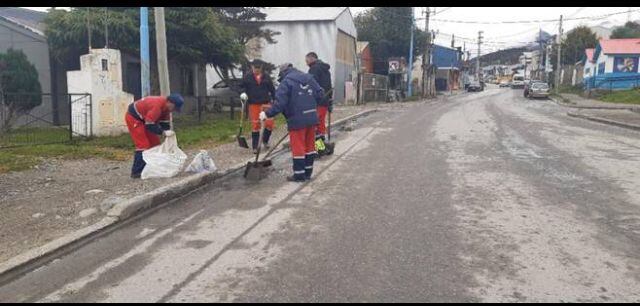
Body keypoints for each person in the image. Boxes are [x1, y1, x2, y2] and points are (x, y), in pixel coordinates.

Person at [260, 63, 324, 182]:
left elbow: (279, 104)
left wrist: (267, 114)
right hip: (311, 117)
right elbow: (320, 94)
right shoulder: (309, 78)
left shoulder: (286, 82)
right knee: (310, 146)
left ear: (283, 73)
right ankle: (308, 173)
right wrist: (308, 101)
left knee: (298, 146)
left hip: (297, 119)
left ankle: (299, 175)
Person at [125, 93, 184, 179]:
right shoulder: (156, 106)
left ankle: (150, 167)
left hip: (145, 120)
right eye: (174, 107)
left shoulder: (166, 109)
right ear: (169, 102)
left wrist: (167, 134)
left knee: (155, 144)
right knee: (143, 145)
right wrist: (163, 132)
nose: (173, 110)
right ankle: (136, 171)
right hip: (134, 118)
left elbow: (164, 124)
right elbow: (150, 125)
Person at [240, 59, 277, 154]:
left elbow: (272, 89)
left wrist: (275, 99)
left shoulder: (266, 77)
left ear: (261, 68)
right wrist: (243, 93)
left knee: (269, 124)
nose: (257, 70)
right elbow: (241, 87)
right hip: (254, 104)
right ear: (252, 67)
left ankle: (265, 140)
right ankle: (255, 147)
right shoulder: (247, 77)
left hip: (266, 103)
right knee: (256, 125)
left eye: (259, 68)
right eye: (255, 68)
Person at [305, 52, 333, 155]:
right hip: (325, 101)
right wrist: (330, 101)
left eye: (307, 60)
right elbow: (329, 85)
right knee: (320, 125)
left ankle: (319, 149)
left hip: (316, 101)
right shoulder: (326, 70)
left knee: (315, 126)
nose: (306, 62)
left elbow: (310, 85)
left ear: (312, 59)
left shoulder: (314, 69)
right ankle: (324, 147)